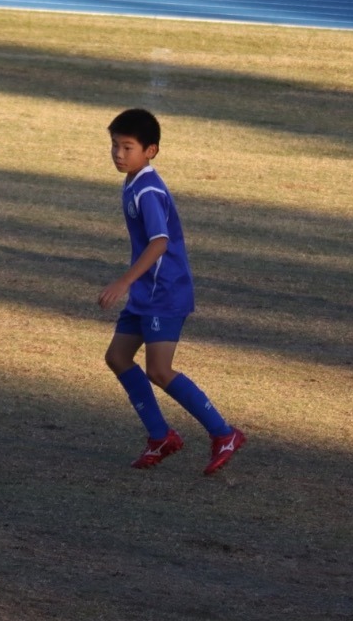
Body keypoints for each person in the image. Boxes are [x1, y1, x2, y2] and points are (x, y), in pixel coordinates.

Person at [99, 108, 245, 475]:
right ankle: (160, 436)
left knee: (159, 370)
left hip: (164, 292)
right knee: (118, 357)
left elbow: (160, 242)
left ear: (151, 150)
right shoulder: (134, 181)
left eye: (127, 147)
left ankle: (224, 433)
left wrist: (123, 281)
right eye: (114, 145)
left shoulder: (148, 190)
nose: (118, 154)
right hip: (146, 292)